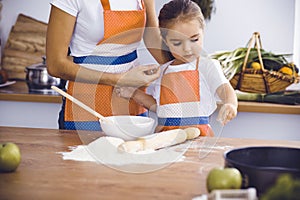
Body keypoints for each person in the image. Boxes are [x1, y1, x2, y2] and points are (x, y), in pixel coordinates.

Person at [116, 0, 238, 136]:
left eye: (194, 39)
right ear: (165, 41)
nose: (187, 49)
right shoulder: (163, 71)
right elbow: (159, 107)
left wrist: (230, 104)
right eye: (177, 43)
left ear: (202, 31)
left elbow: (224, 89)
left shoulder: (206, 66)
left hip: (198, 136)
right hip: (164, 136)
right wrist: (134, 94)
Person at [46, 0, 161, 131]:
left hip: (130, 98)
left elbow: (154, 40)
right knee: (80, 151)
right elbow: (55, 65)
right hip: (86, 102)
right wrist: (119, 79)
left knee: (131, 150)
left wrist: (181, 69)